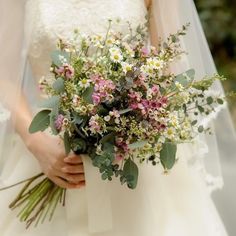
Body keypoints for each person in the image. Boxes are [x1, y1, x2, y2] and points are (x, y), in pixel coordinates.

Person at [0, 0, 235, 235]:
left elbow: (168, 69)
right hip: (49, 150)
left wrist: (132, 128)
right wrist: (36, 143)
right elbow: (5, 74)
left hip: (134, 153)